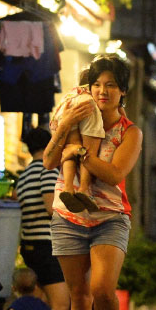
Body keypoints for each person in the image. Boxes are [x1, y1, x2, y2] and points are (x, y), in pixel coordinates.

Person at [43, 56, 143, 310]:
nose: (102, 91)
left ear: (122, 91)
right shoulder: (76, 113)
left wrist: (80, 152)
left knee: (101, 289)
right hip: (67, 216)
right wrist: (67, 127)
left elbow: (114, 174)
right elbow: (49, 161)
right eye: (97, 84)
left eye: (111, 85)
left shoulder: (130, 132)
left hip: (109, 217)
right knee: (78, 296)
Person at [14, 127, 70, 310]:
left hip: (30, 246)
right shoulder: (47, 170)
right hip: (48, 247)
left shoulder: (24, 175)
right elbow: (51, 207)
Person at [50, 67, 105, 215]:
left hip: (65, 111)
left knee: (71, 149)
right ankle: (84, 189)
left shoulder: (69, 94)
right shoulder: (91, 95)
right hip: (86, 107)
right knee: (88, 152)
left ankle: (68, 187)